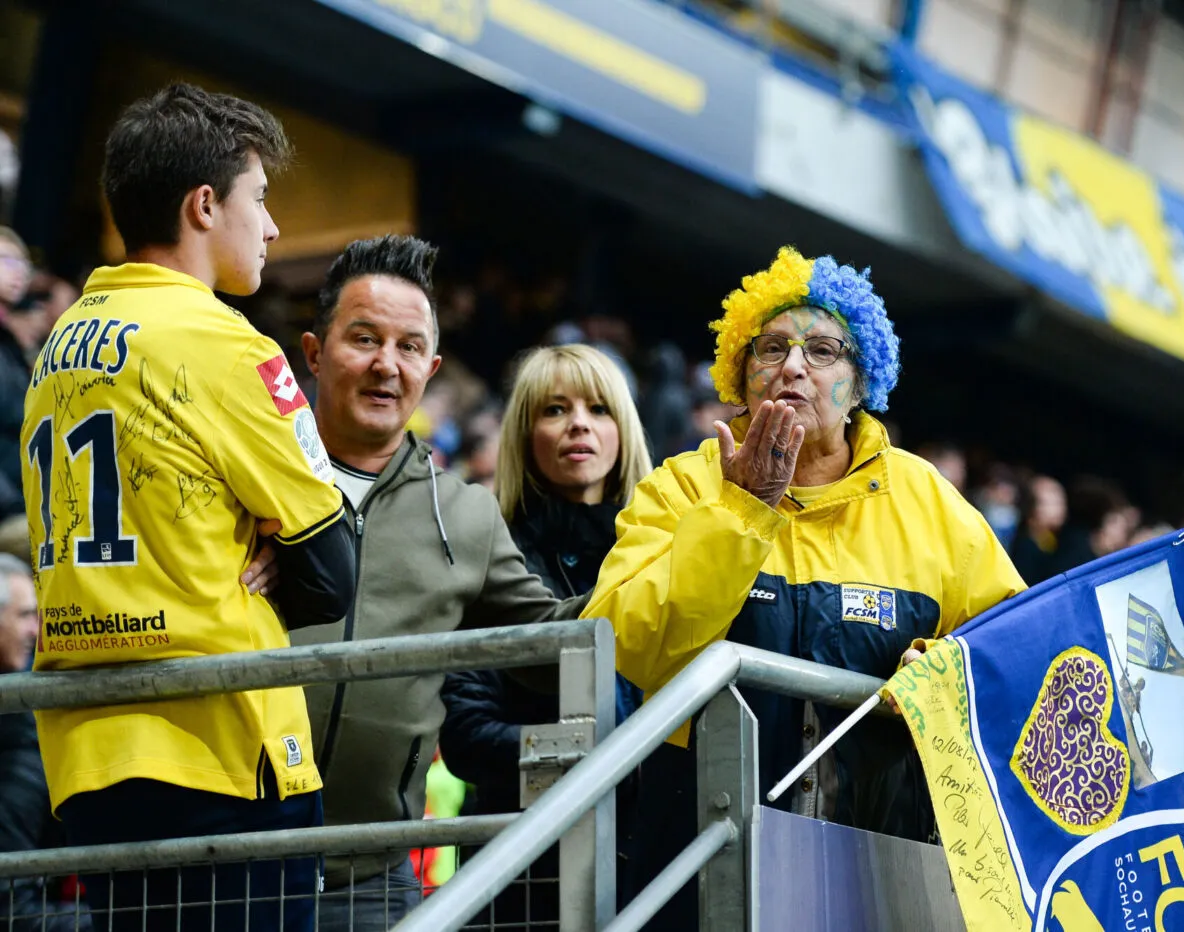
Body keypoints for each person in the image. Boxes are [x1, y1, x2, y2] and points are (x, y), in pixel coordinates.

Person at [583, 246, 1025, 922]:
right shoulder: (683, 486)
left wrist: (943, 666)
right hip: (699, 869)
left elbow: (1015, 657)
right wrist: (742, 511)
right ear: (742, 372)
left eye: (823, 351)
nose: (792, 366)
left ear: (861, 380)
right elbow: (628, 645)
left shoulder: (930, 502)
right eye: (771, 349)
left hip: (875, 881)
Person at [21, 84, 356, 932]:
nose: (274, 227)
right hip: (222, 748)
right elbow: (333, 574)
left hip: (88, 762)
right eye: (262, 199)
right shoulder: (224, 342)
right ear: (205, 205)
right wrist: (277, 552)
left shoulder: (56, 348)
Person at [289, 234, 592, 930]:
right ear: (313, 352)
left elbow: (550, 649)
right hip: (227, 859)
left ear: (433, 366)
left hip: (371, 877)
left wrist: (673, 568)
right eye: (363, 339)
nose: (385, 366)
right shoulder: (246, 475)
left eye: (407, 347)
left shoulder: (465, 512)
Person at [438, 343, 652, 924]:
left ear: (625, 429)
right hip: (520, 866)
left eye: (599, 408)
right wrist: (597, 758)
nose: (579, 423)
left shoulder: (662, 558)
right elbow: (466, 731)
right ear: (524, 434)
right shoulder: (488, 556)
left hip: (650, 860)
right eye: (555, 409)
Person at [0, 227, 33, 519]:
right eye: (8, 261)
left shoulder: (12, 341)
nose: (19, 272)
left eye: (24, 264)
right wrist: (14, 507)